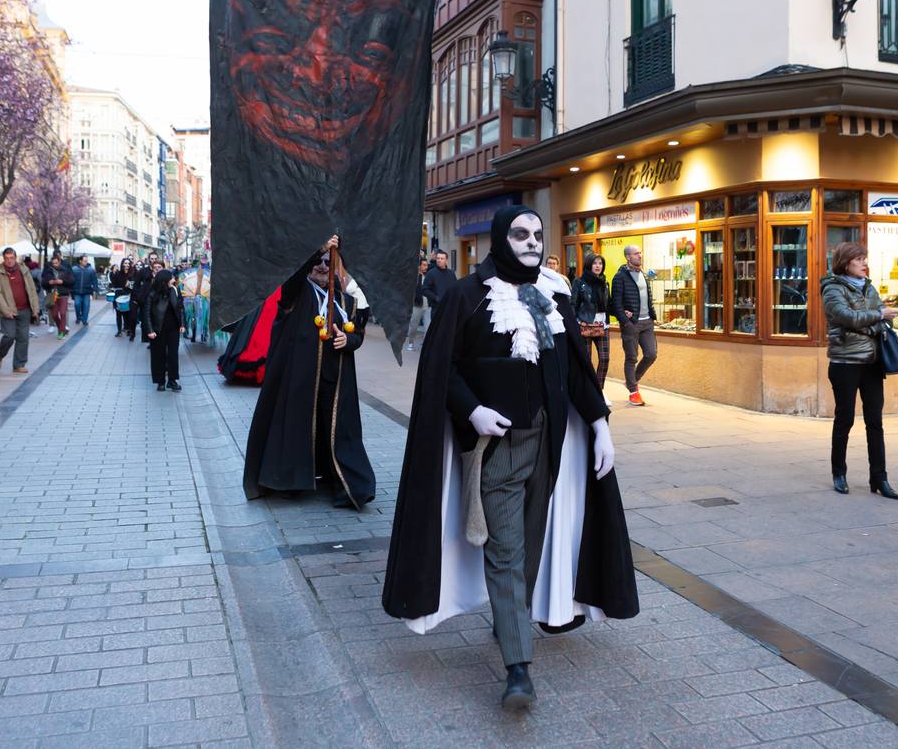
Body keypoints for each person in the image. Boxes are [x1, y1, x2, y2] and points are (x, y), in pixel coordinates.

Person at [382, 205, 638, 710]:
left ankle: (510, 622)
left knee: (530, 549)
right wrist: (472, 410)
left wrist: (601, 424)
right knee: (505, 552)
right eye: (520, 234)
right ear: (501, 238)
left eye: (538, 234)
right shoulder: (466, 297)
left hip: (548, 447)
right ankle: (518, 668)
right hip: (496, 451)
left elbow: (573, 373)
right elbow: (442, 370)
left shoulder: (554, 294)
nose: (531, 242)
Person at [243, 235, 375, 510]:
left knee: (337, 431)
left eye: (329, 262)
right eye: (318, 262)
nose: (323, 267)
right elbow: (293, 274)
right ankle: (294, 481)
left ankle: (346, 484)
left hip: (336, 381)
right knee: (300, 427)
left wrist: (347, 341)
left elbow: (358, 334)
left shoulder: (344, 301)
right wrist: (317, 247)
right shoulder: (297, 294)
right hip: (301, 380)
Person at [821, 242, 898, 500]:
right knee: (844, 419)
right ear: (846, 263)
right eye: (859, 259)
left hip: (872, 363)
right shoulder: (832, 289)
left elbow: (880, 323)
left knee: (875, 422)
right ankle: (839, 473)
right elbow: (846, 317)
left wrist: (874, 319)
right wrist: (877, 315)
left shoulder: (869, 287)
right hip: (845, 363)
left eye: (865, 258)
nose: (864, 263)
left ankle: (880, 478)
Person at [610, 244, 658, 406]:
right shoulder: (620, 277)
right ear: (628, 257)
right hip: (632, 324)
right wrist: (625, 321)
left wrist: (653, 316)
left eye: (640, 253)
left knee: (651, 354)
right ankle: (633, 391)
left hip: (647, 322)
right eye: (636, 254)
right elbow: (615, 303)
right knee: (631, 357)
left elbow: (647, 297)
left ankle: (632, 380)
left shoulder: (643, 274)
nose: (640, 255)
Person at [0, 247, 39, 374]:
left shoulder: (24, 270)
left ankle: (19, 364)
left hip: (25, 309)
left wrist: (35, 308)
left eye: (11, 258)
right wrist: (6, 311)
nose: (9, 261)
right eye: (7, 258)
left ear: (15, 258)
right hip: (8, 311)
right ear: (4, 259)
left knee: (23, 338)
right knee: (9, 336)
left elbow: (32, 289)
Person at [572, 253, 611, 391]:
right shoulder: (579, 282)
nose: (598, 266)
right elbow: (573, 304)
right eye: (595, 263)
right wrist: (574, 324)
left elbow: (608, 304)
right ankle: (588, 391)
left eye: (600, 263)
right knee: (586, 361)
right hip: (585, 325)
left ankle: (598, 391)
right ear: (589, 265)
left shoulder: (605, 282)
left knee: (605, 359)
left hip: (602, 325)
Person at [142, 267, 185, 391]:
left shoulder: (175, 290)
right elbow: (146, 313)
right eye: (171, 277)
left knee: (173, 355)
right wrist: (150, 330)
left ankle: (172, 380)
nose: (174, 279)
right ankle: (160, 381)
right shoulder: (152, 293)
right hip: (157, 329)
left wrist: (182, 324)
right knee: (158, 355)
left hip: (173, 328)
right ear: (165, 280)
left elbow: (180, 308)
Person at [41, 253, 71, 339]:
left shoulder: (65, 270)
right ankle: (61, 329)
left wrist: (62, 282)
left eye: (56, 263)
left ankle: (61, 332)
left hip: (63, 294)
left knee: (62, 313)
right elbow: (43, 283)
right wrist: (48, 283)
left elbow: (71, 282)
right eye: (53, 263)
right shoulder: (48, 271)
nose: (55, 265)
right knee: (54, 315)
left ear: (59, 262)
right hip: (52, 294)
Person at [406, 257, 431, 351]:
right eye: (424, 265)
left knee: (428, 327)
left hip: (428, 306)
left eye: (427, 265)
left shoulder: (429, 276)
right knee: (414, 326)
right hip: (417, 305)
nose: (426, 267)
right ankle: (410, 343)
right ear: (419, 266)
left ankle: (426, 344)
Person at [422, 248, 455, 316]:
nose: (439, 260)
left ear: (446, 260)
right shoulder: (431, 273)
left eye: (442, 258)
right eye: (438, 258)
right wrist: (436, 298)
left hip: (450, 308)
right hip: (436, 309)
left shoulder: (451, 273)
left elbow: (455, 288)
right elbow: (424, 290)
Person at [109, 257, 137, 337]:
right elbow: (113, 284)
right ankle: (119, 331)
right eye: (125, 263)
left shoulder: (133, 273)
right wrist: (113, 274)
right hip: (119, 295)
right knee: (118, 313)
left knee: (128, 314)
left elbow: (134, 285)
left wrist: (130, 290)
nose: (127, 265)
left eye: (128, 263)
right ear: (122, 264)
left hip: (129, 295)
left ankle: (128, 329)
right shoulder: (118, 273)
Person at [70, 255, 98, 327]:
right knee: (77, 305)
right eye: (85, 261)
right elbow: (71, 280)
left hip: (87, 292)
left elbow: (95, 281)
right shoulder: (74, 269)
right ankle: (78, 317)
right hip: (76, 291)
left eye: (87, 261)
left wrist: (95, 290)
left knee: (86, 306)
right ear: (80, 261)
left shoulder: (91, 270)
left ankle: (84, 320)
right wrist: (70, 290)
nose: (86, 262)